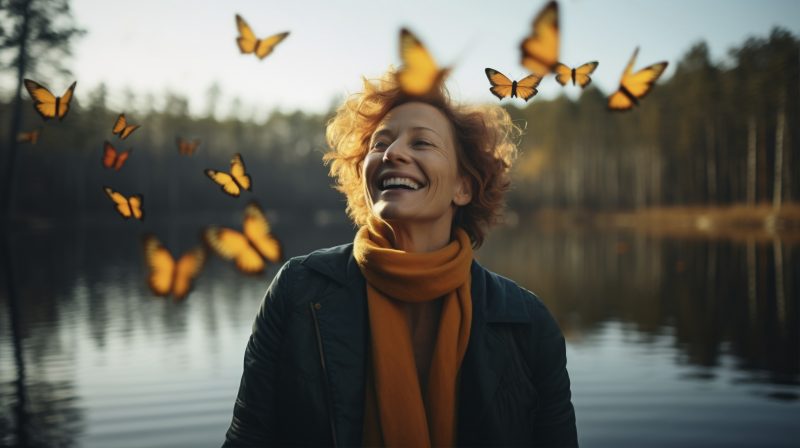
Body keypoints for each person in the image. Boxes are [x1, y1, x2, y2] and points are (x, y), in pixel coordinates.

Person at [222, 72, 578, 447]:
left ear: (464, 186)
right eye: (380, 144)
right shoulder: (298, 290)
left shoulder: (529, 323)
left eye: (422, 142)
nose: (392, 154)